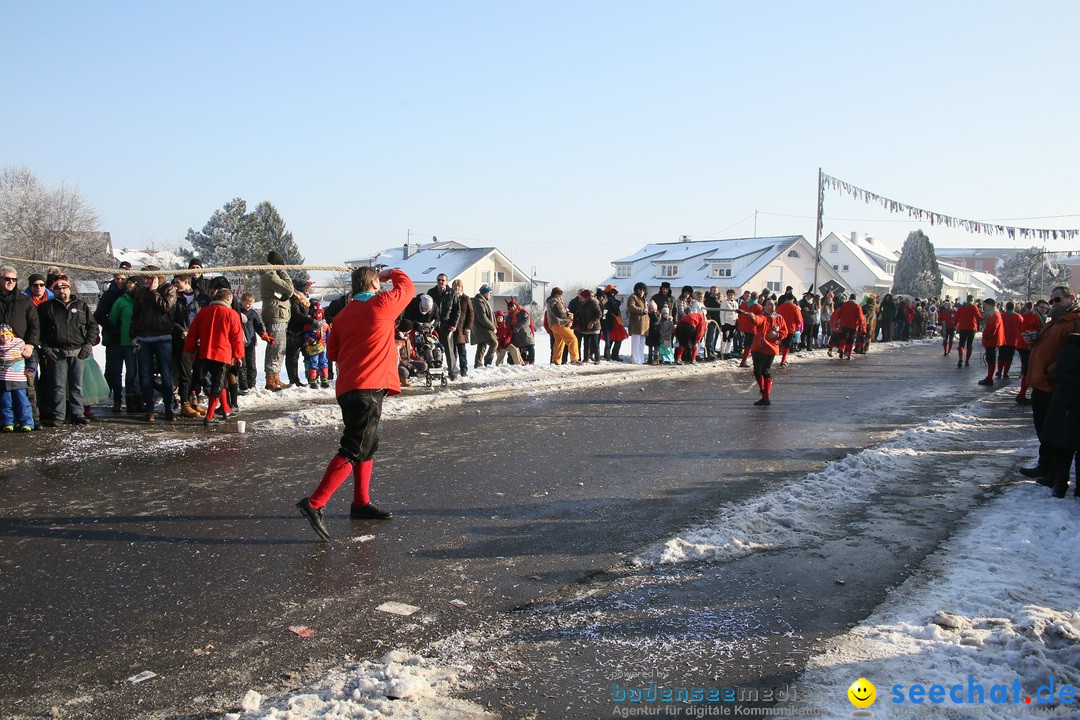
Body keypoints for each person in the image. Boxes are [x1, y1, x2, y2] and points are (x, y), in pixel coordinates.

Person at [296, 267, 415, 541]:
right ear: (373, 282)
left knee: (367, 444)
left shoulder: (342, 315)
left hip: (349, 387)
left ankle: (361, 503)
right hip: (368, 387)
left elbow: (334, 353)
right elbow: (407, 287)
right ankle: (314, 503)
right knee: (354, 447)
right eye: (378, 282)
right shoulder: (381, 303)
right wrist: (390, 273)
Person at [1018, 286, 1079, 481]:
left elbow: (1072, 354)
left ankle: (1052, 471)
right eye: (1051, 300)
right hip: (1041, 383)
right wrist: (1034, 339)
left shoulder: (1073, 322)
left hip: (1054, 385)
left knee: (1052, 431)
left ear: (1071, 298)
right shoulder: (1055, 321)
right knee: (1042, 428)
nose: (1053, 304)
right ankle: (1044, 465)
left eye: (1057, 300)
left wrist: (1053, 369)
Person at [37, 276, 99, 426]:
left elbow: (93, 327)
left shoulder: (81, 305)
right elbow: (39, 330)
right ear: (53, 290)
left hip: (78, 350)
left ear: (70, 289)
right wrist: (46, 348)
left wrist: (88, 345)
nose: (61, 291)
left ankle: (77, 414)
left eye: (64, 288)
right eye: (58, 288)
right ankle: (58, 416)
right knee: (58, 385)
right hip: (57, 351)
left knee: (77, 385)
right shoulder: (46, 307)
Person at [184, 288, 245, 426]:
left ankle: (226, 409)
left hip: (205, 353)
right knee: (217, 384)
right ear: (228, 298)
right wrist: (238, 355)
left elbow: (193, 332)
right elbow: (237, 337)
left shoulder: (203, 312)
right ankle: (210, 416)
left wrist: (190, 350)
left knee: (221, 382)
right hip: (222, 354)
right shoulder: (231, 314)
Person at [130, 266, 177, 422]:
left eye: (148, 278)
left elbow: (165, 307)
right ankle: (149, 409)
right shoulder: (140, 292)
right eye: (143, 278)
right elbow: (135, 315)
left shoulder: (168, 289)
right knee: (145, 375)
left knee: (166, 374)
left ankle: (169, 407)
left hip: (162, 337)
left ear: (157, 277)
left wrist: (154, 291)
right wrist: (133, 335)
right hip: (143, 338)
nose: (144, 281)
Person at [0, 266, 40, 428]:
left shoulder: (24, 300)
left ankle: (30, 420)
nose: (11, 282)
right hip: (2, 353)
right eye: (7, 279)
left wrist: (30, 344)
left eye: (14, 280)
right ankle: (6, 421)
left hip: (22, 350)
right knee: (3, 393)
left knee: (27, 389)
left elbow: (34, 325)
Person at [1043, 332, 1080, 498]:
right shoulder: (1073, 347)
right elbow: (1061, 374)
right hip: (1069, 405)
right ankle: (1060, 483)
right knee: (1064, 447)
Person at [737, 297, 789, 406]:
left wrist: (777, 335)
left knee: (766, 371)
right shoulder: (762, 317)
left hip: (771, 349)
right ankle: (763, 389)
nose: (772, 306)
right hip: (758, 348)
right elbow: (757, 320)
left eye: (773, 304)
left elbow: (785, 331)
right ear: (764, 306)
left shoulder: (779, 318)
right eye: (769, 304)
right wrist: (751, 316)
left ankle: (766, 397)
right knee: (757, 371)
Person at [172, 274, 210, 417]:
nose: (175, 285)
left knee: (200, 372)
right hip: (183, 340)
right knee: (185, 372)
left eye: (177, 282)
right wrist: (182, 330)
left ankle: (195, 399)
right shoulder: (175, 298)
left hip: (200, 339)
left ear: (186, 281)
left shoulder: (202, 297)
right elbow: (171, 319)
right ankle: (185, 403)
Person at [94, 260, 131, 401]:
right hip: (114, 337)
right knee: (114, 370)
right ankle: (115, 397)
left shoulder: (132, 295)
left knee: (130, 370)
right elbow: (99, 315)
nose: (120, 281)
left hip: (128, 336)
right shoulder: (108, 295)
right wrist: (113, 329)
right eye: (117, 279)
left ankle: (130, 397)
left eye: (123, 279)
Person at [106, 278, 140, 414]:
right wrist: (108, 338)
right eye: (129, 284)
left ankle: (131, 401)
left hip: (133, 343)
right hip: (118, 343)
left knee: (132, 374)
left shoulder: (141, 302)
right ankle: (117, 400)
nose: (130, 286)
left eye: (133, 284)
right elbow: (112, 320)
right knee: (116, 373)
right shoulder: (121, 301)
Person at [260, 250, 292, 391]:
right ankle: (270, 378)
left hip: (280, 314)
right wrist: (282, 270)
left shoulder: (272, 274)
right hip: (275, 315)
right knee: (275, 348)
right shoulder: (269, 275)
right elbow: (289, 287)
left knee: (280, 348)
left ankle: (276, 376)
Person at [0, 323, 34, 431]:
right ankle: (8, 423)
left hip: (18, 379)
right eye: (1, 335)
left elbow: (30, 357)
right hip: (3, 380)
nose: (4, 337)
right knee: (5, 403)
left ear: (12, 335)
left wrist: (31, 368)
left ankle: (27, 423)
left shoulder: (20, 344)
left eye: (6, 334)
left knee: (22, 402)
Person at [1015, 298, 1049, 404]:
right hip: (1026, 346)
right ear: (1036, 307)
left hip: (1024, 345)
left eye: (1045, 308)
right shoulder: (1032, 316)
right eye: (1042, 307)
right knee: (1027, 370)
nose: (1043, 309)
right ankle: (1021, 395)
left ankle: (1022, 393)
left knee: (1027, 369)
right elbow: (1028, 330)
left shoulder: (1035, 315)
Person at [428, 273, 461, 380]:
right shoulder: (431, 292)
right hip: (434, 325)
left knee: (449, 350)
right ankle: (434, 372)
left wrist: (454, 325)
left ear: (446, 282)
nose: (440, 282)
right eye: (439, 280)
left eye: (443, 280)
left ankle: (453, 373)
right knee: (433, 349)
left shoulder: (452, 293)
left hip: (447, 325)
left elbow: (457, 310)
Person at [237, 291, 269, 395]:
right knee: (242, 365)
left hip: (250, 342)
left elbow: (258, 326)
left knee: (251, 364)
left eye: (251, 303)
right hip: (240, 342)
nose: (249, 305)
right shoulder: (236, 311)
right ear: (242, 302)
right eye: (247, 303)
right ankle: (243, 385)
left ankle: (252, 384)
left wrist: (263, 334)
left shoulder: (253, 313)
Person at [545, 287, 580, 365]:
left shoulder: (551, 301)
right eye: (559, 294)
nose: (561, 296)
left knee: (559, 342)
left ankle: (556, 360)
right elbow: (560, 314)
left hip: (554, 324)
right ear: (555, 294)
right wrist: (569, 319)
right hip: (560, 323)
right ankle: (574, 359)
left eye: (561, 294)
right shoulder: (555, 302)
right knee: (572, 339)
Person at [302, 303, 331, 388]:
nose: (318, 315)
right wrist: (310, 340)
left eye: (319, 313)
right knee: (314, 362)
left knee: (324, 362)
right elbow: (306, 335)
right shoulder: (309, 325)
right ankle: (313, 380)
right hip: (313, 347)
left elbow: (329, 336)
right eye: (316, 313)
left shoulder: (325, 325)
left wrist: (330, 343)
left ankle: (324, 379)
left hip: (323, 346)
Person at [977, 298, 1004, 386]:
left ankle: (990, 378)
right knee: (990, 359)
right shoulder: (992, 313)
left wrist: (985, 337)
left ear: (989, 305)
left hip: (992, 340)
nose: (983, 307)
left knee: (991, 359)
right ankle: (989, 377)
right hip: (992, 339)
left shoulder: (994, 314)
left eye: (985, 305)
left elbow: (992, 328)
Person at [471, 285, 497, 368]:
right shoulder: (479, 301)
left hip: (482, 328)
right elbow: (482, 317)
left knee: (482, 345)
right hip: (481, 328)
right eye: (490, 292)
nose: (491, 294)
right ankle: (487, 361)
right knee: (494, 343)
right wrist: (492, 327)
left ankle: (478, 364)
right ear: (485, 293)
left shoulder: (482, 301)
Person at [573, 289, 602, 364]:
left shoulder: (594, 302)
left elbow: (599, 314)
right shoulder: (580, 303)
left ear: (586, 297)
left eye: (582, 297)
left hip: (594, 326)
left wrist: (593, 322)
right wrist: (578, 324)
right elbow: (579, 314)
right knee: (586, 343)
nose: (580, 299)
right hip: (584, 326)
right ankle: (586, 358)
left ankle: (597, 359)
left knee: (594, 343)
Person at [953, 295, 982, 368]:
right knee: (969, 345)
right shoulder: (974, 307)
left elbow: (956, 317)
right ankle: (967, 361)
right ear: (972, 300)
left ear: (966, 299)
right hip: (971, 328)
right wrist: (985, 318)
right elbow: (978, 317)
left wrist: (955, 324)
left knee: (961, 344)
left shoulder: (961, 307)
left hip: (962, 327)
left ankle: (960, 359)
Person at [674, 300, 706, 364]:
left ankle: (679, 358)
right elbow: (700, 331)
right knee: (694, 343)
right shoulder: (702, 319)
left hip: (680, 326)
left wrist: (675, 333)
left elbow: (680, 324)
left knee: (682, 344)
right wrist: (697, 341)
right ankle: (693, 359)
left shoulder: (692, 315)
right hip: (690, 326)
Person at [453, 279, 474, 376]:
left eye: (459, 286)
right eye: (455, 286)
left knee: (462, 350)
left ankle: (464, 369)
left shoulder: (466, 298)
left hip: (462, 329)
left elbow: (471, 314)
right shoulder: (451, 297)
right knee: (452, 351)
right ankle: (453, 369)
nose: (457, 288)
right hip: (452, 328)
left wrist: (468, 327)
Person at [997, 301, 1022, 380]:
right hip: (1013, 340)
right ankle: (1005, 373)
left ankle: (999, 371)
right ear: (1014, 307)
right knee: (1009, 357)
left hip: (1002, 339)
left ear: (1006, 307)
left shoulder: (1002, 315)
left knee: (1001, 356)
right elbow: (1021, 328)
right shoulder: (1018, 317)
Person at [776, 296, 803, 367]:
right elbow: (799, 319)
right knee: (787, 344)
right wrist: (795, 325)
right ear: (793, 299)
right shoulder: (795, 307)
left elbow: (775, 315)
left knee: (780, 341)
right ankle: (783, 359)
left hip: (780, 327)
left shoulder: (780, 306)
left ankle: (778, 355)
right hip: (790, 328)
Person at [736, 292, 762, 367]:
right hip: (753, 328)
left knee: (747, 344)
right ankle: (744, 361)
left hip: (744, 327)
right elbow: (761, 317)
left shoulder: (744, 304)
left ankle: (745, 359)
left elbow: (740, 315)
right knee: (749, 345)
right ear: (757, 298)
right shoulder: (758, 307)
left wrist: (740, 325)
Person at [627, 283, 650, 365]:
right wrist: (642, 310)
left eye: (643, 290)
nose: (642, 291)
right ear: (636, 290)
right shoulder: (633, 297)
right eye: (640, 289)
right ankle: (635, 359)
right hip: (636, 324)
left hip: (644, 324)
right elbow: (631, 307)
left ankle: (641, 358)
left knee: (641, 343)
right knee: (635, 343)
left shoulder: (644, 299)